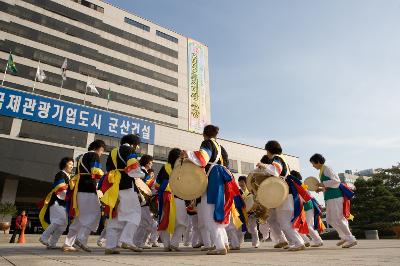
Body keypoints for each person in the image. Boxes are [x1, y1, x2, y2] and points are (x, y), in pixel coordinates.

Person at [182, 125, 244, 255]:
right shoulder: (221, 148)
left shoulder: (207, 143)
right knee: (217, 212)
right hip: (221, 180)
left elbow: (203, 158)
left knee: (209, 215)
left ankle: (220, 247)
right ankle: (224, 243)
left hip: (212, 180)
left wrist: (188, 154)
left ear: (204, 134)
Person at [257, 140, 306, 251]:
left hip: (284, 195)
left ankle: (299, 242)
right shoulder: (281, 159)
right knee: (284, 221)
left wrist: (263, 166)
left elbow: (275, 171)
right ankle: (294, 242)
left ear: (269, 150)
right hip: (286, 194)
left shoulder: (277, 158)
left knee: (284, 222)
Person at [63, 140, 105, 252]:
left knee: (79, 217)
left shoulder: (82, 156)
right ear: (99, 148)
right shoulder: (94, 155)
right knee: (94, 214)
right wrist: (104, 177)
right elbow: (96, 172)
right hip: (88, 188)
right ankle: (81, 239)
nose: (101, 154)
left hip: (80, 188)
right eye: (102, 151)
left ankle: (68, 243)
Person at [310, 153, 357, 248]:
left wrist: (321, 184)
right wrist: (321, 188)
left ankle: (351, 239)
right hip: (330, 197)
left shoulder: (327, 168)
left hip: (335, 197)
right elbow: (330, 185)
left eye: (313, 163)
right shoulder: (322, 170)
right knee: (330, 220)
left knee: (339, 218)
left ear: (318, 162)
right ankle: (344, 237)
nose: (313, 166)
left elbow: (336, 182)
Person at [156, 148, 189, 252]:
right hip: (178, 198)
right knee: (182, 223)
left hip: (165, 198)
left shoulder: (164, 167)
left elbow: (157, 184)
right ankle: (174, 243)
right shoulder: (182, 168)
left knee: (164, 221)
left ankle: (167, 245)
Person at [39, 157, 74, 249]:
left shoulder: (68, 176)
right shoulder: (61, 174)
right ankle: (44, 237)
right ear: (64, 164)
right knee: (59, 221)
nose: (72, 166)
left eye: (72, 164)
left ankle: (52, 243)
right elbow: (60, 188)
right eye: (70, 164)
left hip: (63, 202)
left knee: (63, 224)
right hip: (57, 201)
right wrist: (69, 196)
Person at [289, 170, 324, 247]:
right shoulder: (299, 183)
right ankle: (307, 240)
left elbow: (306, 195)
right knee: (300, 225)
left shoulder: (298, 184)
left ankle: (317, 241)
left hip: (307, 205)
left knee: (308, 225)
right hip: (305, 205)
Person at [134, 155, 155, 249]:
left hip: (143, 200)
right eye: (151, 162)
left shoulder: (143, 171)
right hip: (141, 199)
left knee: (146, 222)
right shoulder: (142, 172)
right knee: (145, 222)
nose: (152, 164)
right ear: (147, 163)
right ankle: (138, 242)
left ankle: (140, 242)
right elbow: (140, 185)